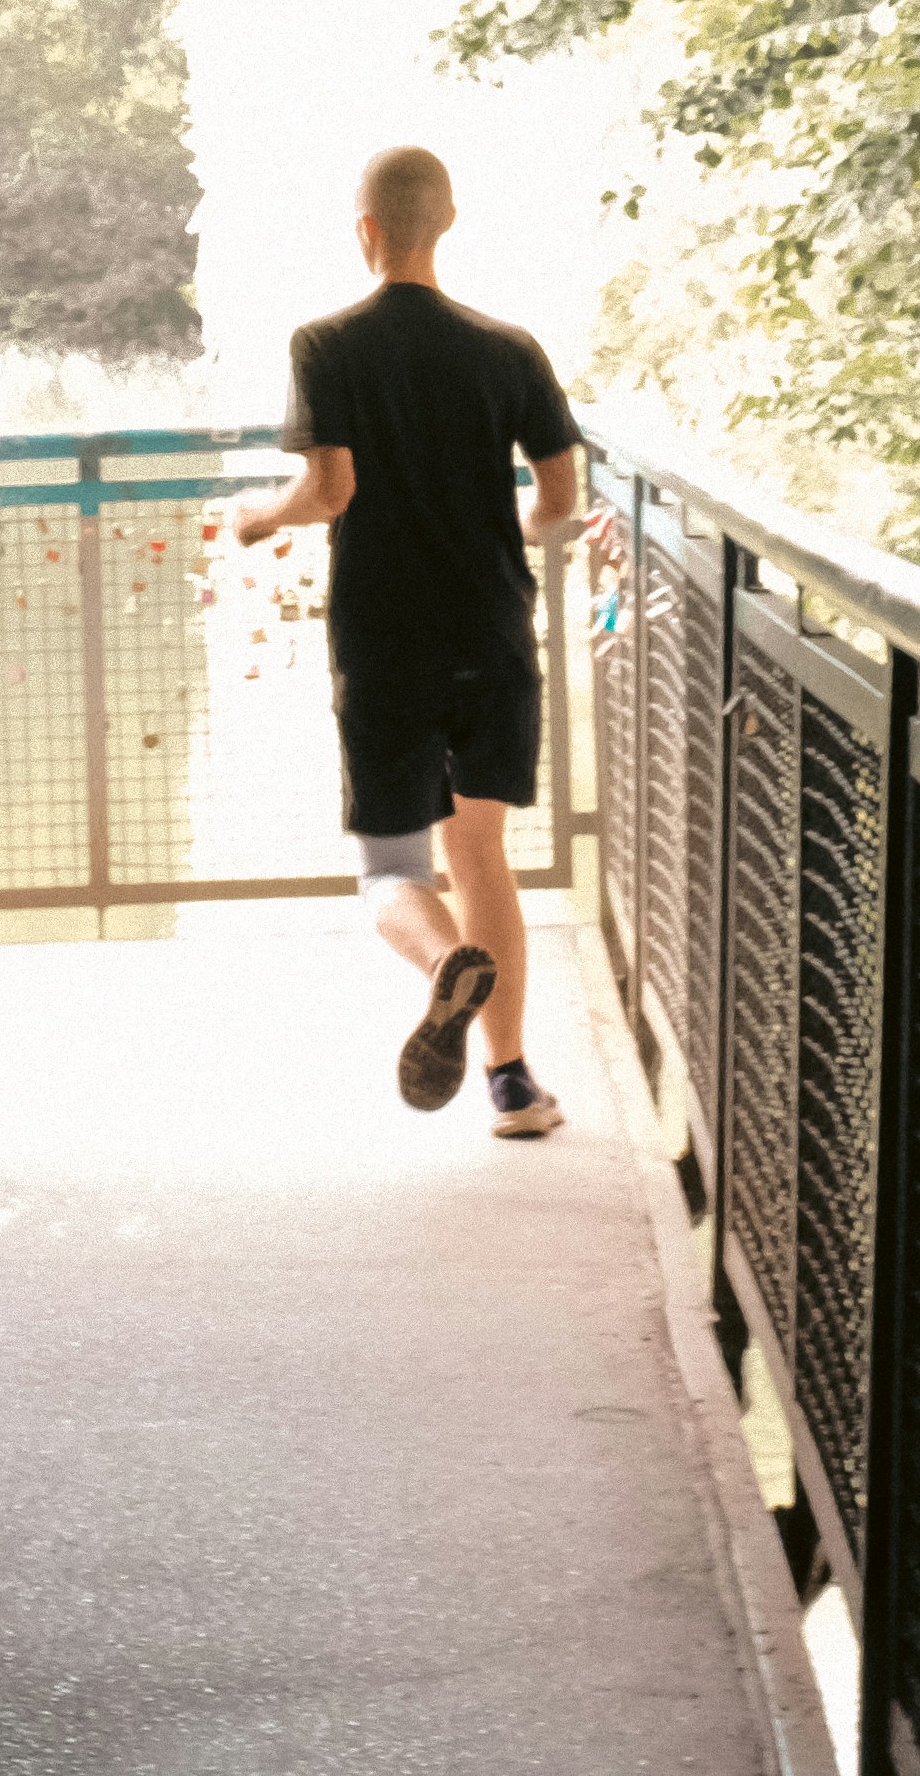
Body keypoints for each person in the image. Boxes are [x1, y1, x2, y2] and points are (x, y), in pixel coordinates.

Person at [223, 144, 589, 1135]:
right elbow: (559, 500)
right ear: (449, 221)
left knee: (393, 865)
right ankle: (511, 1083)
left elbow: (330, 489)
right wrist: (495, 533)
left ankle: (442, 964)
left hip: (385, 639)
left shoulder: (325, 344)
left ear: (366, 233)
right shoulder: (511, 349)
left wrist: (263, 513)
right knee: (482, 853)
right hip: (491, 632)